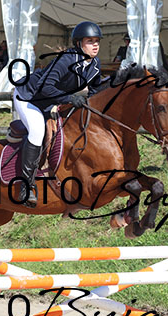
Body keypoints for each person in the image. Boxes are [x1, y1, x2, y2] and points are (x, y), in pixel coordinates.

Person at [14, 21, 104, 207]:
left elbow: (95, 91)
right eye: (90, 41)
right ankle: (26, 187)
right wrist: (70, 98)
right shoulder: (67, 60)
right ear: (79, 43)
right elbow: (45, 87)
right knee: (37, 131)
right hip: (29, 96)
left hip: (49, 101)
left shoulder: (94, 64)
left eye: (97, 41)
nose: (95, 45)